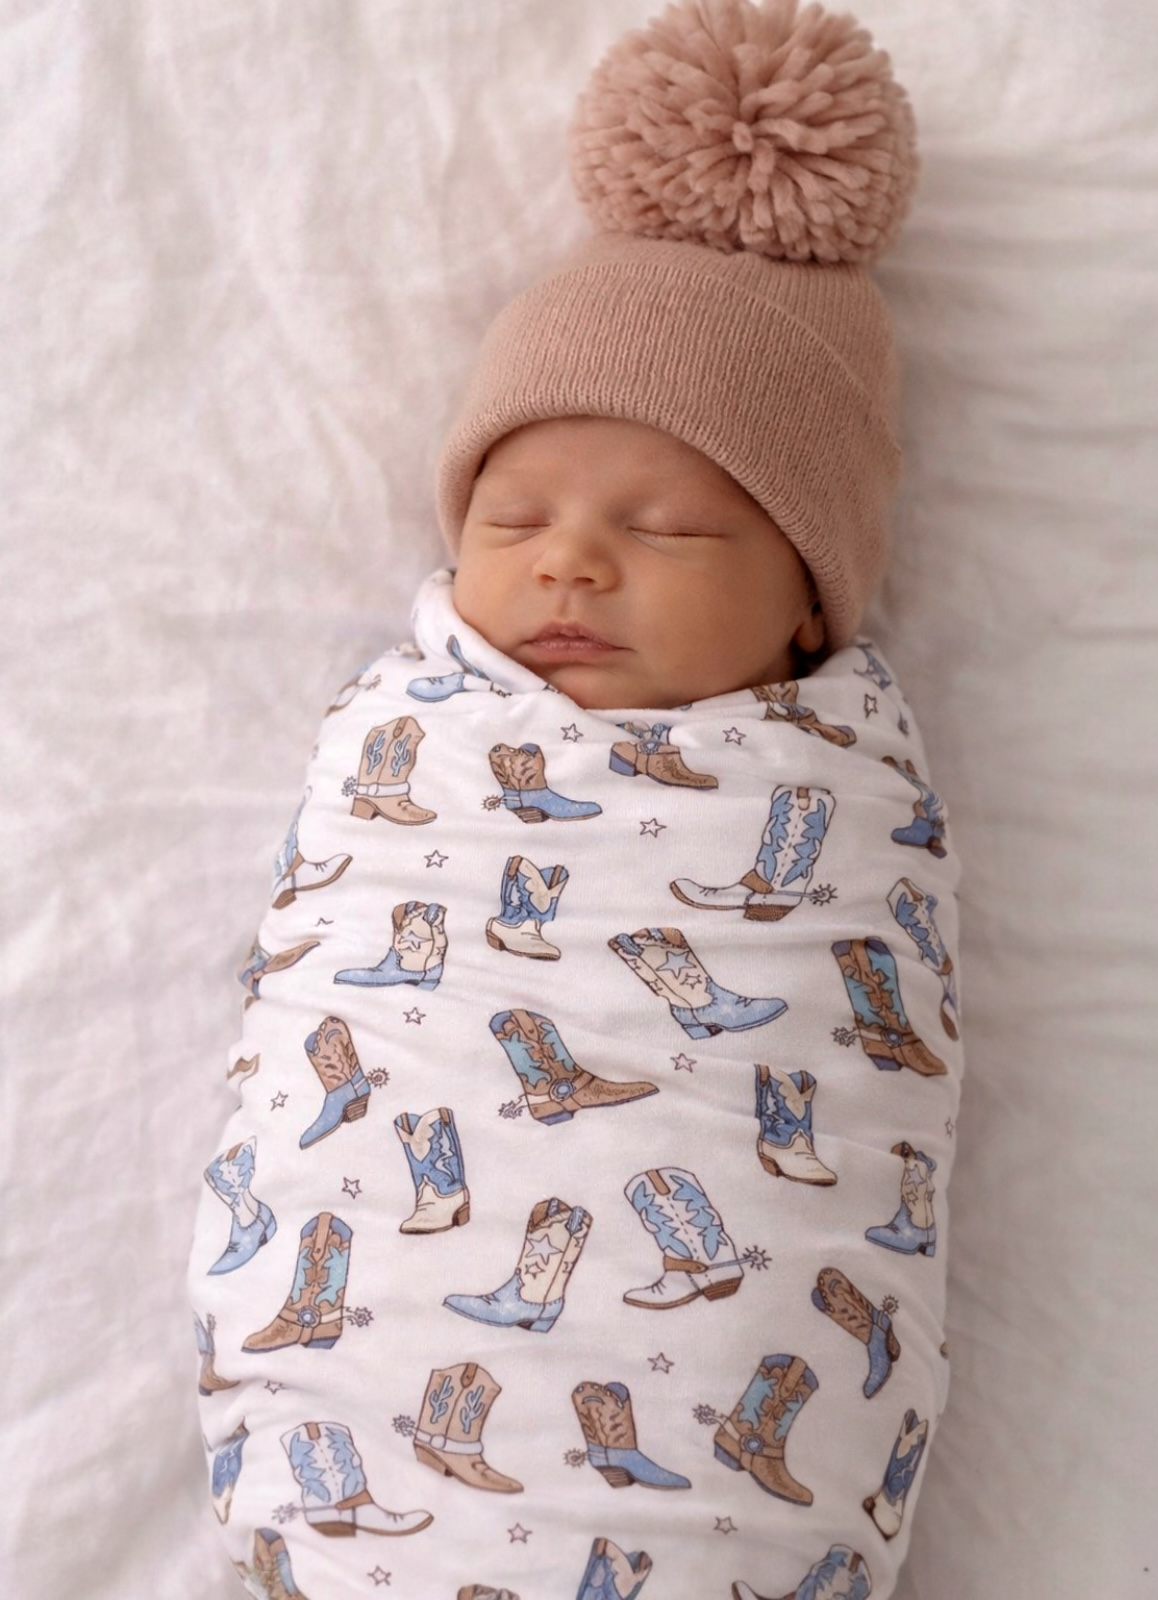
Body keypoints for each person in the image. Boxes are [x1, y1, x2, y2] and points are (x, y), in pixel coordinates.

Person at [189, 4, 962, 1598]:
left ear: (809, 602)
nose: (568, 560)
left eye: (667, 528)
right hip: (392, 1204)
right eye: (514, 510)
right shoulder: (413, 723)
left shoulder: (843, 783)